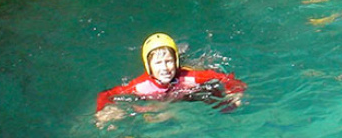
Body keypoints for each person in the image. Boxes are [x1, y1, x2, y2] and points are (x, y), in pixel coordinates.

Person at [95, 33, 246, 127]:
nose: (165, 68)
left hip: (187, 92)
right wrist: (106, 110)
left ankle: (183, 56)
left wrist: (234, 92)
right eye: (158, 63)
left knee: (225, 106)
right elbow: (106, 95)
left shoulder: (188, 77)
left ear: (176, 62)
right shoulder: (141, 86)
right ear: (149, 66)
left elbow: (226, 78)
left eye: (169, 61)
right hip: (164, 99)